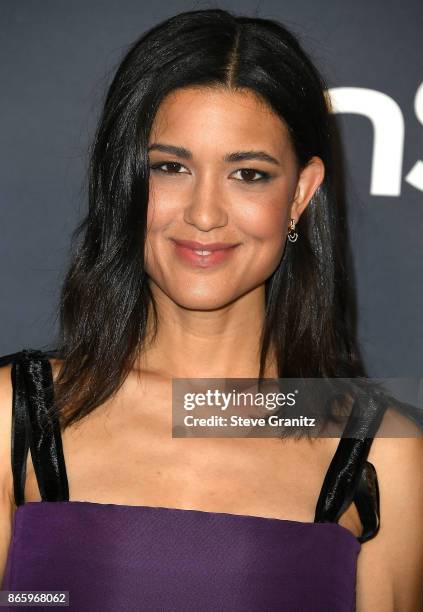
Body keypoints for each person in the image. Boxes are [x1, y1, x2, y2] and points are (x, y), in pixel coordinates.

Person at [1, 7, 422, 612]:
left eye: (248, 174)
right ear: (126, 179)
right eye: (170, 167)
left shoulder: (381, 450)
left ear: (300, 194)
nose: (204, 214)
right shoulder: (15, 417)